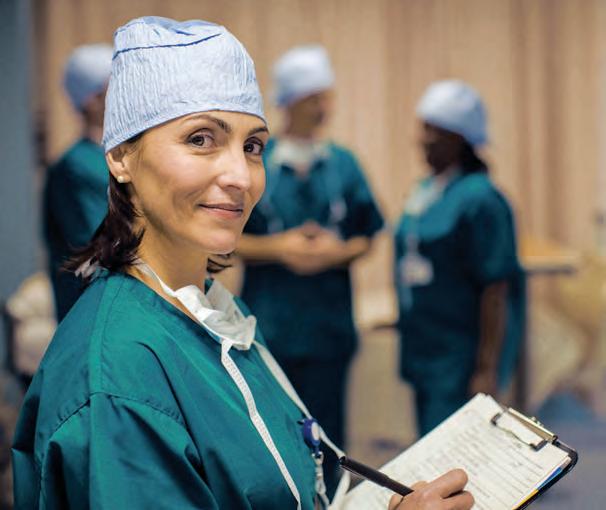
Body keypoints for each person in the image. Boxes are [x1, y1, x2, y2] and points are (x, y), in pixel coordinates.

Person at [12, 17, 473, 510]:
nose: (242, 176)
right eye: (200, 139)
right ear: (122, 156)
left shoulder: (214, 317)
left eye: (252, 146)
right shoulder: (118, 383)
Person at [237, 45, 384, 493]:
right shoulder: (256, 163)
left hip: (328, 328)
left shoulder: (343, 164)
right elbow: (228, 237)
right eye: (313, 98)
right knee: (274, 433)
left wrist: (333, 254)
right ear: (289, 101)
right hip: (272, 325)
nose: (324, 107)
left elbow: (367, 233)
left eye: (326, 96)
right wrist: (280, 248)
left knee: (329, 435)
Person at [394, 80, 525, 437]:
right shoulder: (427, 190)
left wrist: (486, 368)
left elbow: (496, 288)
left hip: (459, 355)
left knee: (455, 450)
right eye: (422, 128)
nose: (422, 139)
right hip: (425, 348)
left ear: (459, 139)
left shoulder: (481, 199)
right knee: (429, 443)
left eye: (433, 131)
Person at [43, 44, 113, 321]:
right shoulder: (75, 167)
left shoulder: (117, 157)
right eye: (115, 85)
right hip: (94, 314)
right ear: (92, 100)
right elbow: (104, 248)